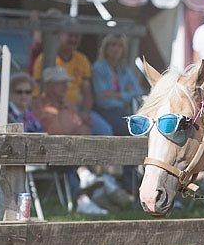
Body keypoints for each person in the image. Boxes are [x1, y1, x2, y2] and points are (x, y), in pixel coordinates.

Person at [34, 67, 130, 215]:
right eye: (62, 83)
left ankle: (98, 187)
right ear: (50, 85)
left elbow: (81, 126)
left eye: (66, 83)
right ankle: (90, 191)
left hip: (72, 149)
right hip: (51, 152)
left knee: (91, 142)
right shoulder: (40, 104)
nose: (66, 86)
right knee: (71, 157)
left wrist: (78, 128)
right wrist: (76, 130)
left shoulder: (66, 101)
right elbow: (55, 131)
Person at [33, 31, 113, 136]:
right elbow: (36, 94)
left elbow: (87, 94)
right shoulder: (42, 60)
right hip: (53, 106)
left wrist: (84, 112)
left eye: (77, 36)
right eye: (70, 35)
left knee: (104, 130)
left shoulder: (82, 59)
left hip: (76, 107)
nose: (73, 39)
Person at [92, 33, 143, 135]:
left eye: (120, 46)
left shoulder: (124, 69)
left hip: (121, 111)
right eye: (113, 45)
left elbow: (138, 91)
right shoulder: (98, 68)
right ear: (106, 48)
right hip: (104, 110)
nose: (116, 49)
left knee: (141, 128)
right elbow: (102, 96)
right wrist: (126, 93)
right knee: (126, 129)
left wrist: (116, 94)